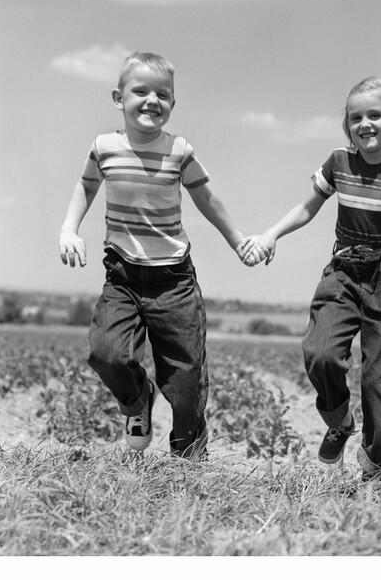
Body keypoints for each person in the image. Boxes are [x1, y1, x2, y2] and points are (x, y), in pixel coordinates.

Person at [58, 52, 261, 458]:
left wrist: (238, 239)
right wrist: (69, 228)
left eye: (163, 94)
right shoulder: (104, 148)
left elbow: (206, 198)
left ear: (172, 103)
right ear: (119, 98)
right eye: (141, 91)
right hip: (122, 277)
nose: (152, 100)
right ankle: (138, 400)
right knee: (107, 353)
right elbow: (86, 187)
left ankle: (188, 453)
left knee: (186, 379)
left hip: (174, 282)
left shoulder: (179, 150)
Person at [242, 76, 381, 482]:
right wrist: (271, 234)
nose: (365, 124)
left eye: (374, 115)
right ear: (347, 125)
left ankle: (375, 464)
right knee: (321, 352)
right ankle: (339, 420)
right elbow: (307, 207)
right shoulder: (339, 161)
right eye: (355, 117)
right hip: (344, 271)